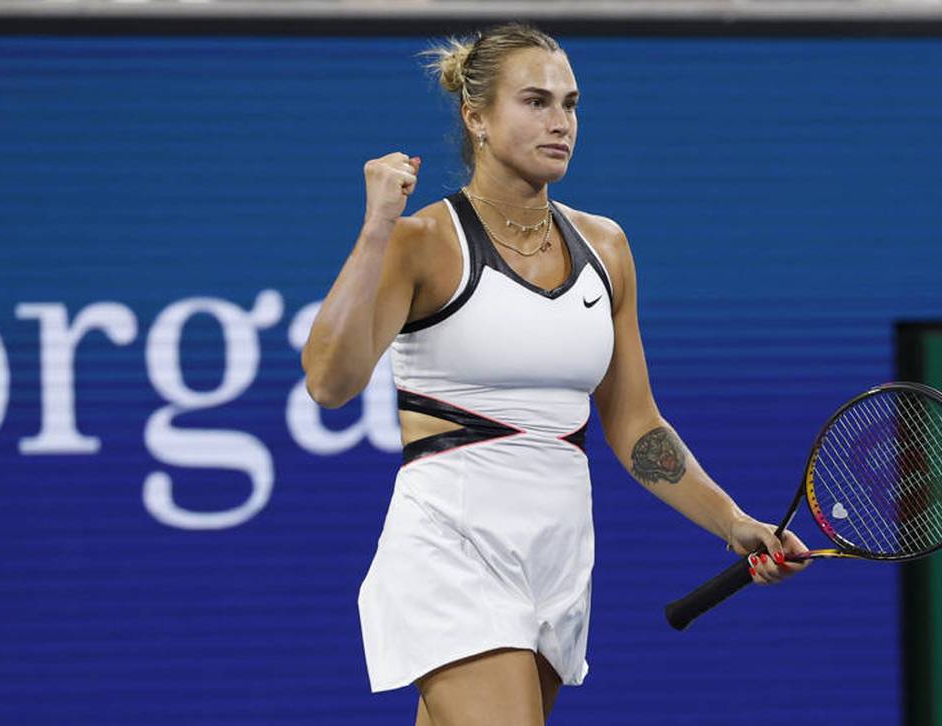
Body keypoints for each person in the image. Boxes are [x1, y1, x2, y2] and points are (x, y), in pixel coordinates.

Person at [300, 22, 810, 726]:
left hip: (559, 553)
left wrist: (731, 521)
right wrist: (375, 229)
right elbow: (329, 382)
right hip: (452, 543)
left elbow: (635, 426)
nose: (560, 122)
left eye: (570, 104)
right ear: (475, 117)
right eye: (536, 102)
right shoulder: (422, 243)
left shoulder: (607, 247)